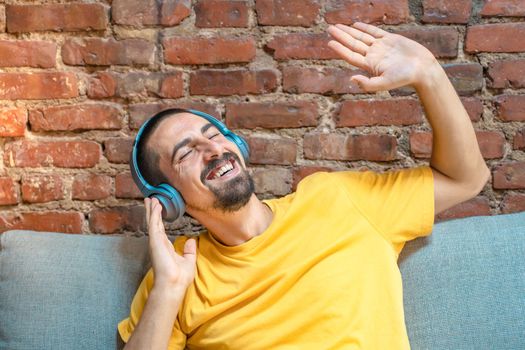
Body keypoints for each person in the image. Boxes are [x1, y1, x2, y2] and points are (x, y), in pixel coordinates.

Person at [117, 22, 490, 349]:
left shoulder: (338, 198)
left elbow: (466, 179)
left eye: (214, 135)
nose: (213, 149)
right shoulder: (178, 273)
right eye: (187, 153)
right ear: (169, 198)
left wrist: (429, 74)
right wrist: (167, 289)